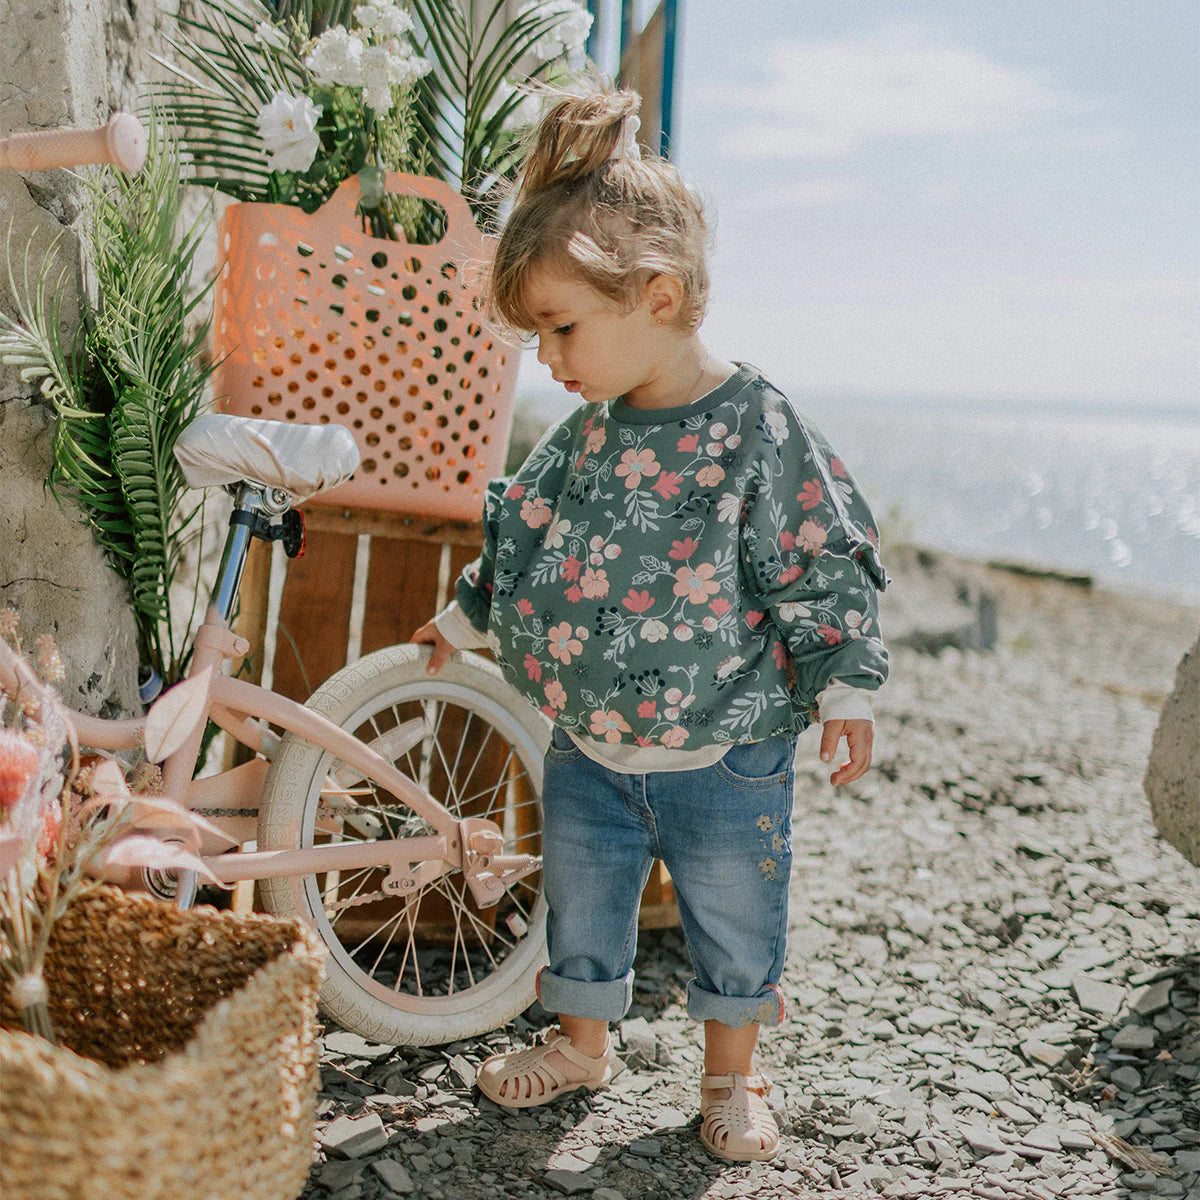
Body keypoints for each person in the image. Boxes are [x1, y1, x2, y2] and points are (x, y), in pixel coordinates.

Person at [412, 81, 888, 1163]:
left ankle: (732, 1077)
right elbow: (522, 530)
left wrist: (846, 685)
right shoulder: (585, 437)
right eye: (542, 335)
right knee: (582, 896)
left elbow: (814, 556)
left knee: (733, 914)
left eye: (562, 327)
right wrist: (461, 618)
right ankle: (582, 1045)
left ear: (659, 295)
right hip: (590, 740)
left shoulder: (757, 426)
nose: (551, 358)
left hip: (730, 746)